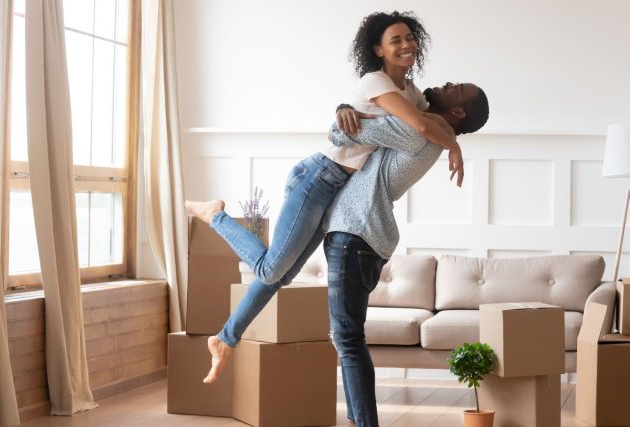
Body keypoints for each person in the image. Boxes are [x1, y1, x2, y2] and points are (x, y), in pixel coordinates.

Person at [185, 11, 465, 384]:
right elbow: (418, 128)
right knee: (271, 270)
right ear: (378, 50)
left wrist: (446, 138)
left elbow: (432, 123)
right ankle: (215, 214)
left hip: (337, 192)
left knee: (280, 276)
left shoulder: (411, 93)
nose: (406, 45)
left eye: (410, 37)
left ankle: (224, 339)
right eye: (395, 40)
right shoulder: (376, 80)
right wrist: (454, 148)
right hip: (318, 178)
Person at [324, 83, 489, 427]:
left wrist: (343, 112)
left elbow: (340, 133)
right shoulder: (428, 129)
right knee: (349, 337)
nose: (444, 84)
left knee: (348, 339)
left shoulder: (418, 130)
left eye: (454, 88)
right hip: (364, 236)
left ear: (458, 112)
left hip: (356, 233)